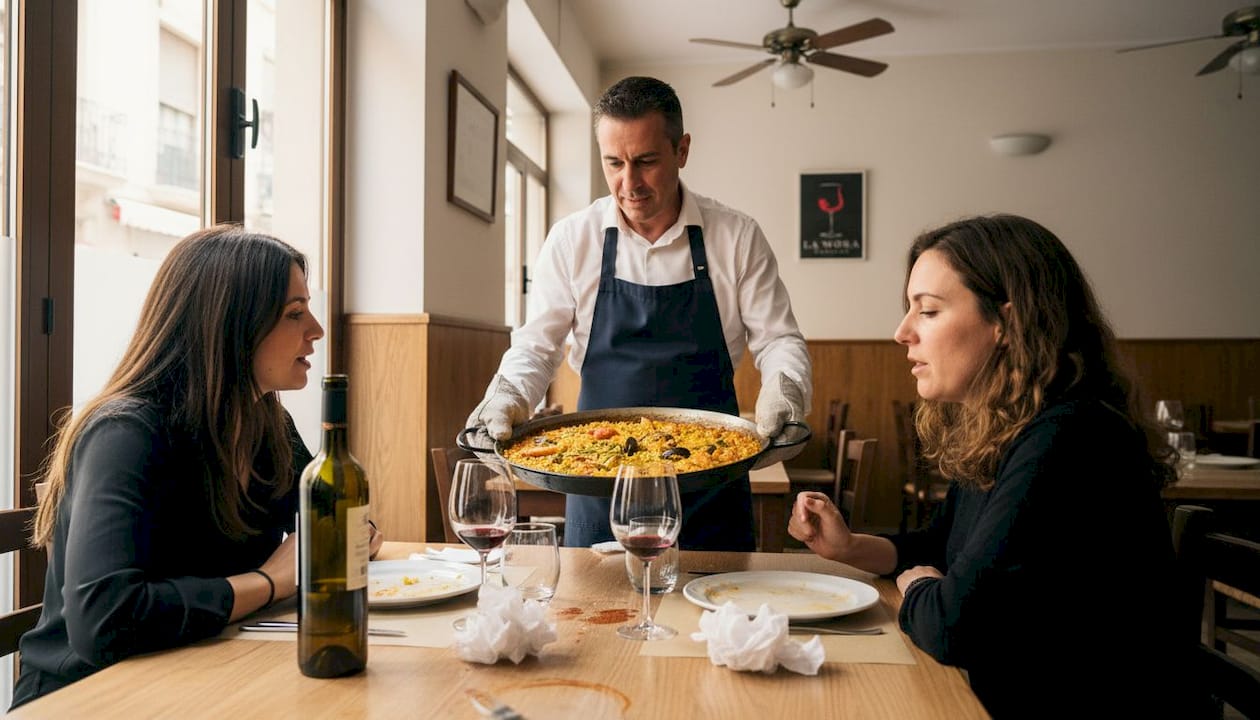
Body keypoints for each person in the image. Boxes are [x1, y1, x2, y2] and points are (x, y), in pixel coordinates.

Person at [788, 214, 1197, 717]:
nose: (901, 332)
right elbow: (940, 547)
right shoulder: (1009, 427)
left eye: (928, 311)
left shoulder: (1068, 437)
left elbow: (953, 625)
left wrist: (918, 588)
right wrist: (850, 546)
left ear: (1006, 323)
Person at [10, 225, 382, 710]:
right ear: (230, 324)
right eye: (295, 313)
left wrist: (347, 532)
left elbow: (333, 519)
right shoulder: (125, 433)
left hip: (207, 673)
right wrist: (270, 582)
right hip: (88, 697)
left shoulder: (267, 422)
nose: (316, 329)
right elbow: (104, 621)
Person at [466, 76, 812, 550]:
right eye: (614, 162)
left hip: (711, 480)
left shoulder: (737, 236)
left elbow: (778, 339)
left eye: (646, 161)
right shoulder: (572, 239)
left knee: (717, 598)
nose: (629, 183)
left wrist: (786, 389)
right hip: (596, 478)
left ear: (682, 150)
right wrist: (506, 395)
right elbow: (536, 346)